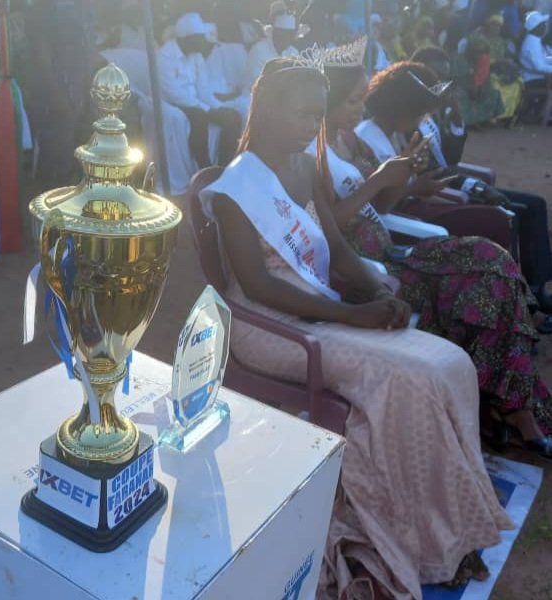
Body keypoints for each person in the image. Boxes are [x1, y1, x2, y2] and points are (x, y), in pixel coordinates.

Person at [199, 56, 512, 600]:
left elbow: (338, 251)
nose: (309, 127)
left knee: (446, 363)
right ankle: (417, 541)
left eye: (315, 116)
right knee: (405, 380)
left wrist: (374, 289)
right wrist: (353, 315)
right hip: (267, 324)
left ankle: (449, 526)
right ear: (269, 112)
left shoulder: (302, 166)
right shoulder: (235, 188)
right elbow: (260, 285)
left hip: (318, 309)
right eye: (300, 115)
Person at [315, 58, 552, 459]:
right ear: (329, 101)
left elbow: (385, 201)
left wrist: (402, 174)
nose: (361, 108)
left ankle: (508, 407)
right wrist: (378, 180)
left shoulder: (348, 141)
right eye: (354, 100)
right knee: (488, 278)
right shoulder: (314, 155)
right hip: (369, 269)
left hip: (393, 248)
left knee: (494, 262)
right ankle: (513, 411)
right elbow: (326, 226)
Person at [412, 45, 552, 307]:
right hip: (441, 193)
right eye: (436, 77)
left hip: (454, 181)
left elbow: (450, 159)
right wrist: (473, 185)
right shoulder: (408, 119)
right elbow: (431, 171)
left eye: (445, 78)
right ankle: (519, 299)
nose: (442, 84)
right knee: (514, 211)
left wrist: (455, 117)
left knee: (536, 205)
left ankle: (537, 286)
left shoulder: (433, 113)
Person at [355, 61, 515, 251]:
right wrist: (415, 188)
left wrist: (420, 180)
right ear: (403, 108)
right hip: (400, 219)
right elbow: (375, 202)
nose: (422, 120)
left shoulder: (394, 132)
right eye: (419, 114)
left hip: (415, 205)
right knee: (496, 220)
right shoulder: (367, 137)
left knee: (497, 212)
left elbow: (436, 167)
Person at [157, 12, 242, 168]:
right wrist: (206, 108)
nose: (203, 43)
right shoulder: (164, 55)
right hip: (174, 104)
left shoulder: (196, 54)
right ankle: (205, 166)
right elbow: (173, 92)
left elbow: (203, 88)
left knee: (233, 116)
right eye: (200, 39)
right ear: (186, 38)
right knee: (200, 117)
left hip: (196, 102)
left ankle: (225, 166)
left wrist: (217, 107)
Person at [242, 1, 299, 93]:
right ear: (275, 33)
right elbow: (256, 84)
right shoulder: (259, 50)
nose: (286, 39)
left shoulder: (294, 52)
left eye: (289, 35)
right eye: (283, 34)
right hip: (255, 96)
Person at [519, 10, 552, 122]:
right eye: (543, 25)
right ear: (536, 27)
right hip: (531, 79)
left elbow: (543, 60)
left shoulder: (535, 40)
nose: (545, 27)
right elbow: (539, 66)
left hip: (537, 77)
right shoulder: (532, 43)